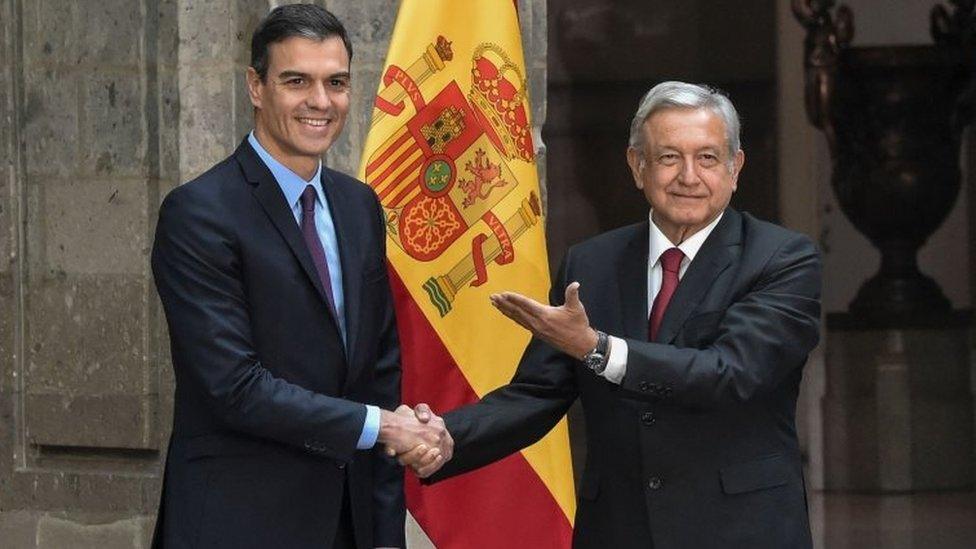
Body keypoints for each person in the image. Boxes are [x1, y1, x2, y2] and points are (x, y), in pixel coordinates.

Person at [398, 81, 821, 548]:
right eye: (667, 157)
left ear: (735, 168)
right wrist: (446, 434)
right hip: (619, 528)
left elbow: (730, 373)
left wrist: (598, 350)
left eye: (707, 158)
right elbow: (539, 392)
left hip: (739, 528)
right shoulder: (592, 263)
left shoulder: (781, 259)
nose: (688, 176)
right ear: (637, 166)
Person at [150, 5, 450, 548]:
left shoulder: (359, 206)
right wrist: (385, 427)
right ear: (256, 87)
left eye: (336, 82)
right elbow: (233, 388)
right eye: (297, 81)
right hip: (239, 524)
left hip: (349, 523)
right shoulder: (198, 213)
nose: (320, 101)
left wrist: (385, 535)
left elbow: (379, 376)